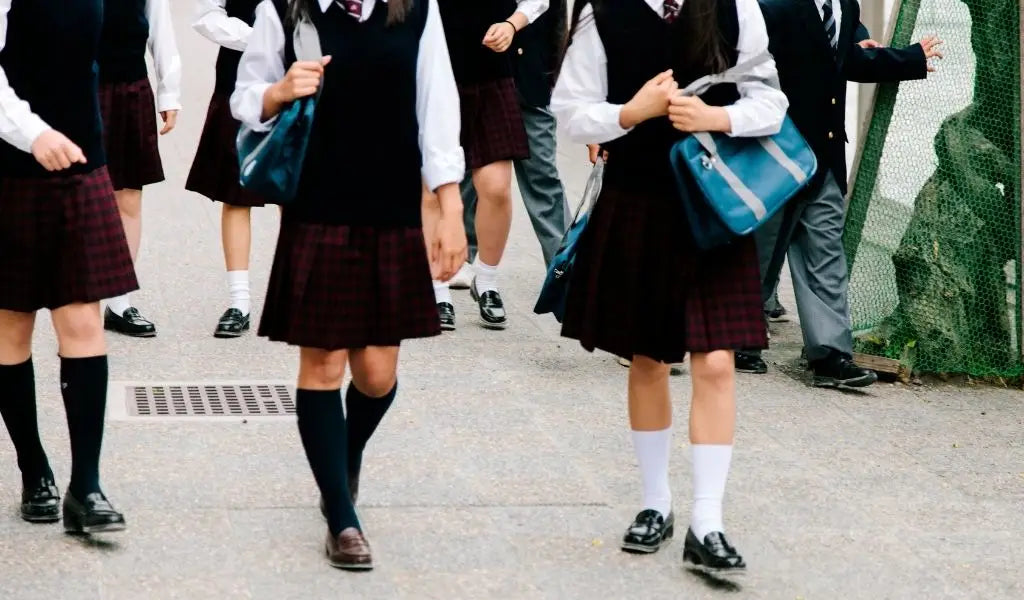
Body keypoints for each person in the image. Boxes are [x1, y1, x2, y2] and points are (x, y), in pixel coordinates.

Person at [553, 0, 788, 573]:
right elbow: (569, 113)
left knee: (716, 364)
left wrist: (717, 119)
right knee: (649, 359)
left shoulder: (737, 10)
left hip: (712, 208)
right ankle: (655, 503)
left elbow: (773, 101)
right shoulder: (602, 15)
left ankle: (707, 522)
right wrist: (629, 113)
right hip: (637, 202)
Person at [231, 0, 466, 570]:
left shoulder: (416, 11)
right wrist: (279, 90)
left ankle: (345, 454)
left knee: (378, 374)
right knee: (323, 365)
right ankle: (342, 516)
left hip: (391, 207)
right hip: (318, 205)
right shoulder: (286, 11)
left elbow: (437, 108)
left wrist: (451, 206)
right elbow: (245, 98)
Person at [734, 0, 943, 387]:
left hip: (826, 155)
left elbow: (850, 61)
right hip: (776, 153)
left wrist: (909, 60)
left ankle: (831, 355)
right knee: (762, 246)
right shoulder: (768, 6)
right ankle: (740, 337)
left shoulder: (845, 5)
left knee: (825, 251)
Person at [0, 0, 133, 533]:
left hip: (81, 157)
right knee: (11, 328)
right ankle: (34, 470)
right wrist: (32, 133)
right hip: (9, 164)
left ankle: (87, 487)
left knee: (82, 321)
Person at [432, 0, 537, 331]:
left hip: (492, 73)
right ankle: (436, 289)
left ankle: (486, 280)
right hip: (435, 73)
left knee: (496, 188)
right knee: (432, 189)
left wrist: (511, 24)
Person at [450, 0, 569, 288]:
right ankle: (462, 258)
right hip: (475, 73)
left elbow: (556, 18)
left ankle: (563, 266)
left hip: (530, 79)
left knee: (542, 176)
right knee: (471, 171)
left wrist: (555, 77)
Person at [98, 0, 182, 338]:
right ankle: (75, 298)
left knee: (129, 198)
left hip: (131, 89)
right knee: (77, 197)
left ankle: (119, 301)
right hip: (77, 92)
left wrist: (169, 94)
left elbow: (161, 32)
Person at [190, 0, 271, 338]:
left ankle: (304, 291)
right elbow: (206, 16)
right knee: (236, 196)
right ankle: (240, 302)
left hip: (304, 85)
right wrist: (259, 38)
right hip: (239, 83)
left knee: (299, 196)